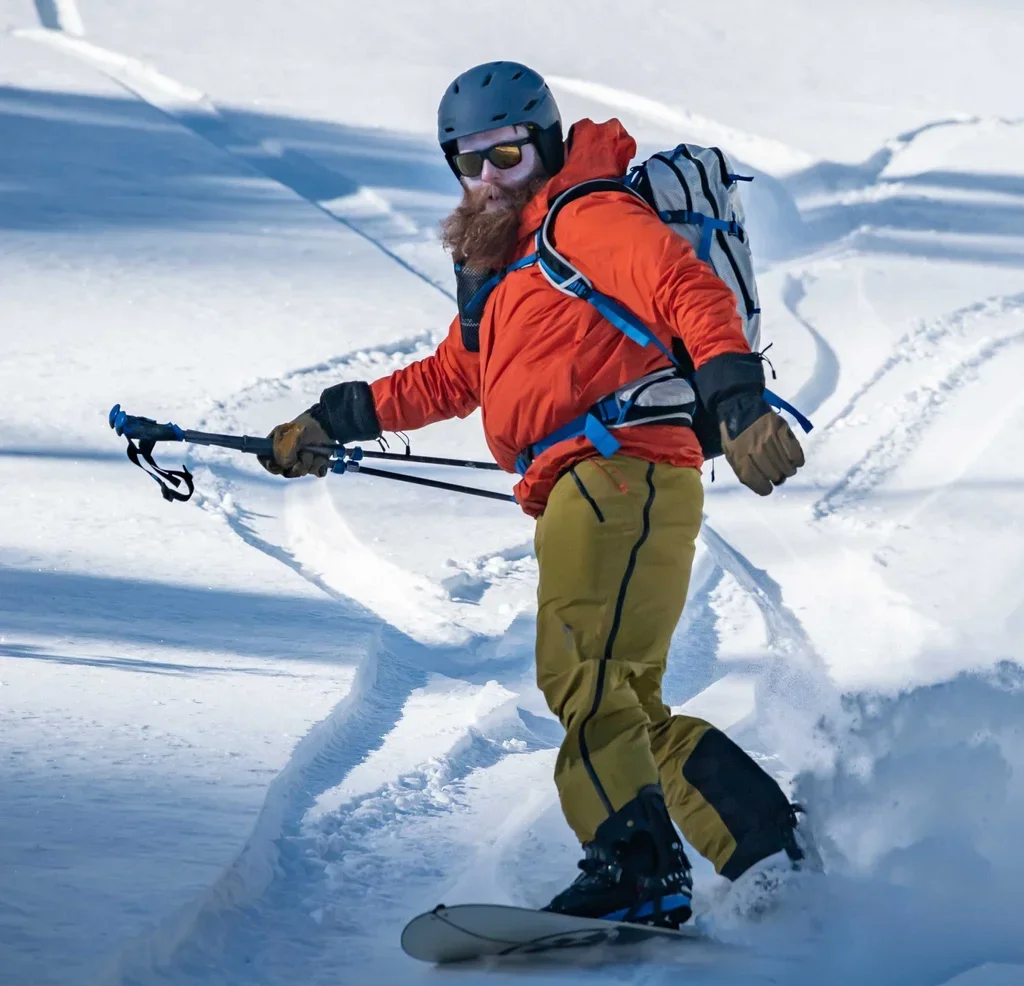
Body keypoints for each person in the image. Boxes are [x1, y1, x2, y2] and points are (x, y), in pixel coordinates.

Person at [258, 61, 808, 927]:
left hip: (617, 474)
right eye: (468, 165)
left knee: (580, 677)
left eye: (506, 156)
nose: (486, 182)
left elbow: (684, 286)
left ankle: (635, 868)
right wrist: (333, 418)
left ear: (544, 144)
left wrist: (738, 403)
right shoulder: (509, 270)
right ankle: (765, 843)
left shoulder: (585, 218)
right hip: (592, 488)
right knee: (620, 700)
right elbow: (452, 376)